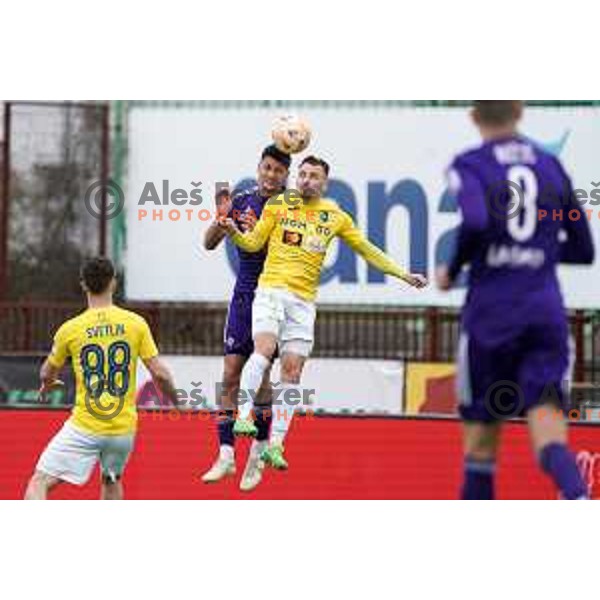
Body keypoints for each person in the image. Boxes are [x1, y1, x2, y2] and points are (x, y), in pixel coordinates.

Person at [222, 155, 428, 470]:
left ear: (324, 183)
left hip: (303, 304)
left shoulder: (335, 216)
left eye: (313, 176)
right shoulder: (279, 205)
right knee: (262, 351)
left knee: (292, 373)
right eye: (302, 174)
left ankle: (275, 445)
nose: (306, 180)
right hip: (270, 292)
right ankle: (245, 416)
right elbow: (252, 244)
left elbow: (367, 249)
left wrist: (403, 274)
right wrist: (234, 232)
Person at [436, 100, 595, 500]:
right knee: (550, 443)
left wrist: (452, 270)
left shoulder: (469, 163)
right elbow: (584, 249)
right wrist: (537, 253)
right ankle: (576, 497)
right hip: (543, 316)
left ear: (474, 116)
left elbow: (475, 219)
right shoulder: (550, 166)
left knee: (480, 452)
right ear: (519, 112)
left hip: (491, 320)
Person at [24, 257, 178, 500]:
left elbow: (46, 371)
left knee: (39, 481)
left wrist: (49, 381)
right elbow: (159, 373)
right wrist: (176, 400)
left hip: (85, 426)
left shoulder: (70, 329)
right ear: (113, 284)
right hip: (122, 430)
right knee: (111, 480)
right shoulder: (135, 323)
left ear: (83, 285)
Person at [202, 144, 290, 491]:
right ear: (259, 168)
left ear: (286, 176)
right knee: (229, 373)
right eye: (266, 168)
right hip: (243, 295)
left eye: (278, 170)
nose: (270, 175)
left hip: (274, 297)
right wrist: (221, 224)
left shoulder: (291, 208)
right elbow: (208, 243)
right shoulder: (241, 201)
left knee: (263, 377)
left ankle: (258, 449)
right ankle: (225, 454)